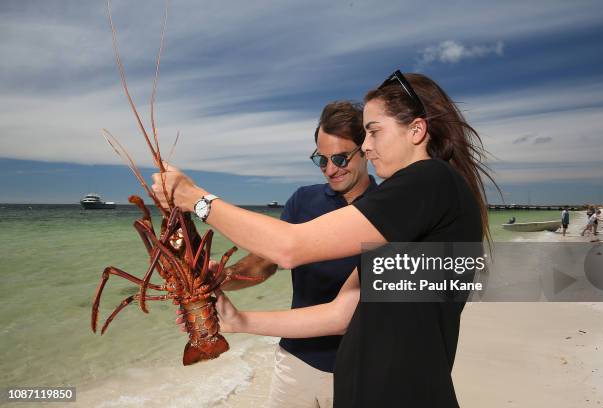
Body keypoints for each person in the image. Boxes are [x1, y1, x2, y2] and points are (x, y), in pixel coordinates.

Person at [152, 71, 495, 407]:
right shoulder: (422, 205)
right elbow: (340, 315)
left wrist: (195, 198)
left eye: (374, 132)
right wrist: (237, 321)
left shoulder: (429, 179)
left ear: (417, 130)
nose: (367, 146)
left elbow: (290, 247)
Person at [209, 101, 376, 407]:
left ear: (366, 150)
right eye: (321, 159)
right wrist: (223, 278)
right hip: (294, 362)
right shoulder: (303, 200)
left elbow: (344, 316)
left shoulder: (388, 209)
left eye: (340, 158)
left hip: (360, 371)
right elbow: (265, 261)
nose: (330, 169)